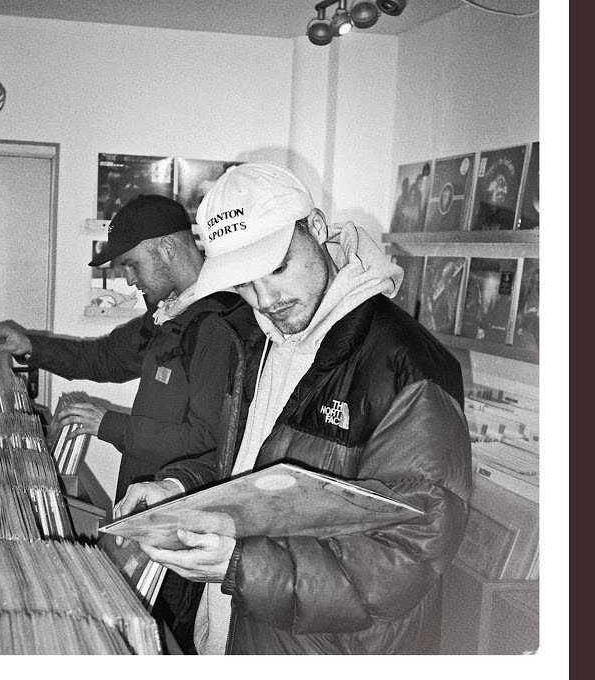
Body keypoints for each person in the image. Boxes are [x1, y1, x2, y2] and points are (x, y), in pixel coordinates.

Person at [118, 162, 472, 654]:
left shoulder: (407, 366)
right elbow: (249, 467)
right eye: (244, 282)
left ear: (317, 228)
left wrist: (244, 566)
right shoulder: (261, 340)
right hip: (239, 634)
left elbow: (407, 554)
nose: (265, 299)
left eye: (278, 267)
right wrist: (177, 490)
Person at [0, 193, 256, 654]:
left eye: (131, 264)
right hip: (143, 515)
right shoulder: (169, 312)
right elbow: (105, 357)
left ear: (167, 249)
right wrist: (32, 346)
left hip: (180, 523)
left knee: (164, 641)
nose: (129, 279)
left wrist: (108, 425)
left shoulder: (218, 325)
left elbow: (209, 442)